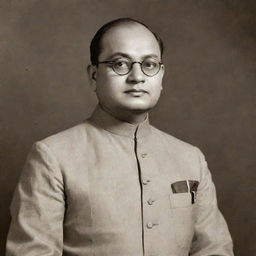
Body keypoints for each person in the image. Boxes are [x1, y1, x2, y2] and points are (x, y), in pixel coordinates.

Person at [6, 18, 234, 256]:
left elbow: (214, 250)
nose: (137, 76)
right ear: (94, 76)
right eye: (120, 64)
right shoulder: (52, 156)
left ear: (161, 75)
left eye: (149, 64)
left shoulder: (191, 158)